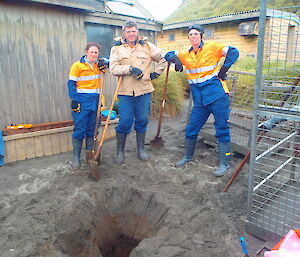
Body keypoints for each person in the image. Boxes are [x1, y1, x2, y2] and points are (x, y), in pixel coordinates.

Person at [165, 24, 239, 177]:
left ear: (201, 36)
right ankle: (187, 157)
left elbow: (233, 51)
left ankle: (224, 162)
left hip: (218, 96)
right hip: (200, 101)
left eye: (196, 34)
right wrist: (176, 60)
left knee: (222, 130)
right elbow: (168, 54)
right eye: (190, 34)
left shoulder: (212, 47)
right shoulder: (186, 54)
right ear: (188, 37)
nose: (193, 36)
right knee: (191, 129)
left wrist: (224, 69)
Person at [109, 19, 167, 164]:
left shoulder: (147, 46)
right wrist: (129, 69)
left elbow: (163, 58)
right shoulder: (116, 48)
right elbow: (113, 68)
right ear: (124, 33)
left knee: (142, 120)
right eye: (128, 31)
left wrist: (156, 73)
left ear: (137, 32)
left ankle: (141, 150)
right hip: (125, 92)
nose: (131, 34)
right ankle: (120, 152)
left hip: (144, 90)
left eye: (133, 31)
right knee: (125, 121)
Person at [68, 42, 107, 168]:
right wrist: (74, 99)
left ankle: (90, 156)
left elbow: (113, 62)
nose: (94, 54)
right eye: (92, 52)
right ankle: (76, 158)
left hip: (95, 101)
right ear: (86, 52)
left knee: (93, 129)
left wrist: (105, 61)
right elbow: (71, 84)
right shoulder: (77, 66)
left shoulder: (99, 65)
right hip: (82, 101)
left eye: (96, 52)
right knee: (80, 129)